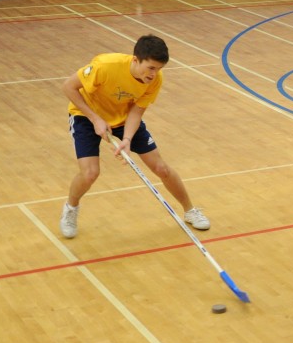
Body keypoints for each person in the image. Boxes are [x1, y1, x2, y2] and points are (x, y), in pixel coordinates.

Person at [59, 34, 210, 238]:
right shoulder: (106, 66)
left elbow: (136, 112)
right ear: (135, 59)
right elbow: (69, 86)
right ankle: (71, 209)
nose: (154, 74)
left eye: (159, 69)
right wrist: (95, 119)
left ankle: (190, 210)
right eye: (151, 68)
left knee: (161, 168)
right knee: (90, 174)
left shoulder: (154, 81)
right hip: (85, 116)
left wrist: (127, 140)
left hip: (124, 118)